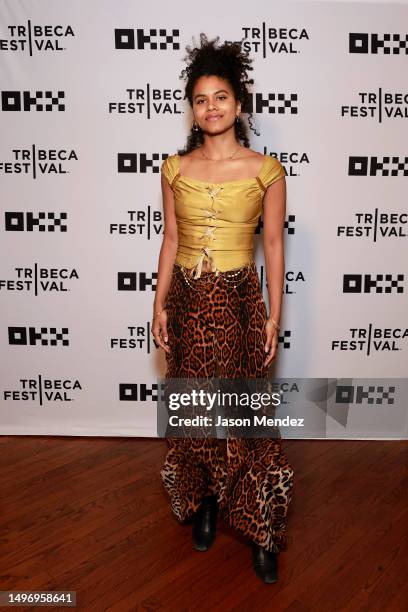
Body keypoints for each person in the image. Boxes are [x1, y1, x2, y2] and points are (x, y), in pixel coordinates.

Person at [152, 34, 294, 584]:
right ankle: (207, 503)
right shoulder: (173, 168)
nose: (210, 107)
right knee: (194, 414)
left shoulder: (267, 170)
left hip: (238, 302)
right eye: (201, 99)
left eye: (221, 97)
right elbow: (168, 238)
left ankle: (262, 530)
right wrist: (158, 303)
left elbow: (275, 246)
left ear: (239, 104)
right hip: (187, 301)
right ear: (192, 108)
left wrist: (274, 316)